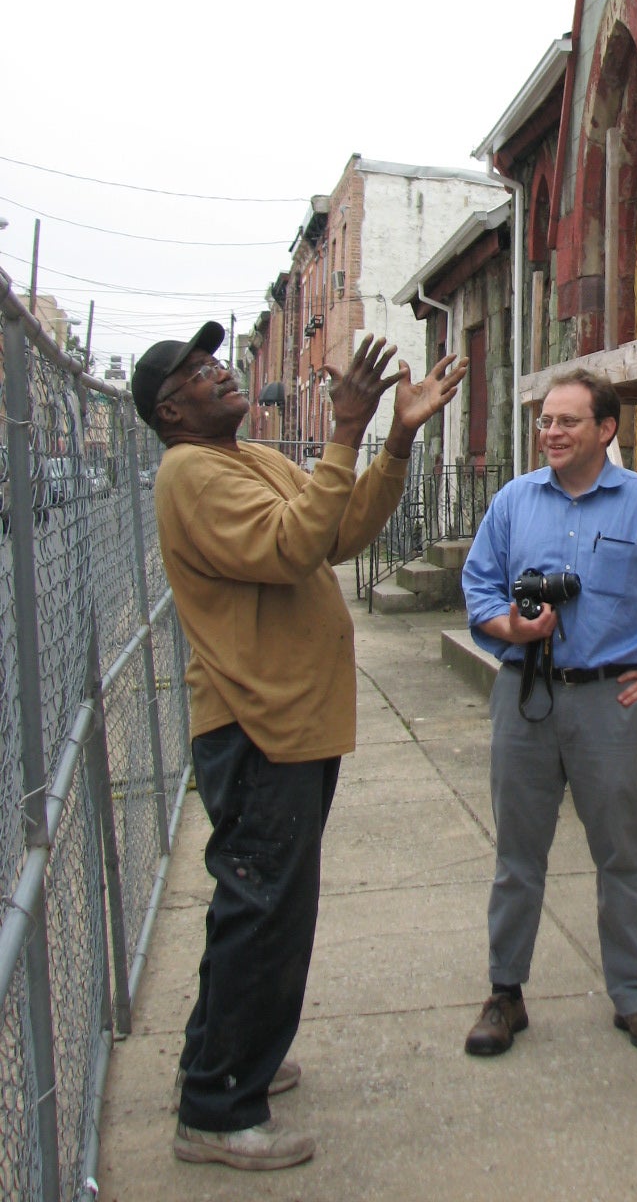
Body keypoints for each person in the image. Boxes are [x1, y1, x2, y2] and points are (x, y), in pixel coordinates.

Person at [131, 320, 465, 1172]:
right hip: (258, 725)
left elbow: (339, 532)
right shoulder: (192, 473)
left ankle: (222, 1057)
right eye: (202, 372)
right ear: (171, 411)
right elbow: (289, 548)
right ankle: (215, 1110)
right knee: (264, 912)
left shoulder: (248, 458)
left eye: (218, 361)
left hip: (291, 717)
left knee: (257, 906)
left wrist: (391, 439)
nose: (222, 372)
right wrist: (346, 430)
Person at [460, 368, 637, 1057]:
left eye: (567, 422)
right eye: (545, 421)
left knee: (619, 854)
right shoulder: (514, 502)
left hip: (610, 704)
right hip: (524, 698)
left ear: (605, 430)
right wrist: (512, 630)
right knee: (517, 855)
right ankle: (505, 994)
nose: (550, 432)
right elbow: (478, 587)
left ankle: (636, 998)